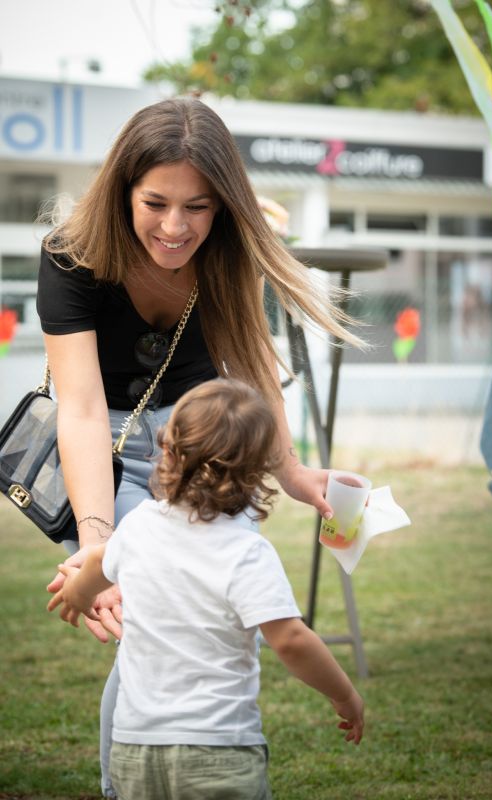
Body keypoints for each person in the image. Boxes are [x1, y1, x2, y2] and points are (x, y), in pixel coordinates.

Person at [38, 95, 365, 797]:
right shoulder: (71, 256)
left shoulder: (229, 250)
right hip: (117, 447)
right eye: (156, 203)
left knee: (220, 626)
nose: (176, 227)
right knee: (146, 633)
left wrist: (292, 469)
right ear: (124, 187)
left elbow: (249, 363)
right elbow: (85, 408)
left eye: (200, 207)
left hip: (206, 442)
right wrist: (97, 550)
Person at [47, 378, 365, 800]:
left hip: (134, 749)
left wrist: (77, 596)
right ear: (256, 475)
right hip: (218, 752)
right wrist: (344, 695)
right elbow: (289, 639)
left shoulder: (138, 526)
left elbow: (95, 569)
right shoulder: (248, 553)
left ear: (168, 452)